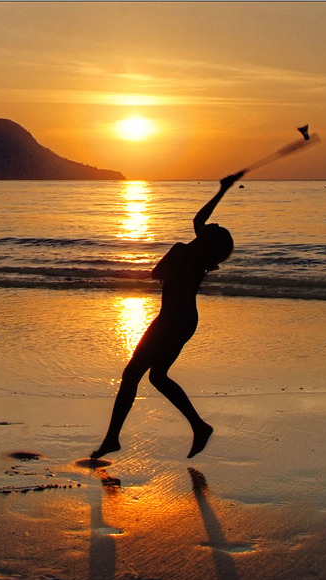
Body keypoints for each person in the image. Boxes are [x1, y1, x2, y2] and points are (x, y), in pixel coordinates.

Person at [91, 171, 244, 460]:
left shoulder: (185, 251)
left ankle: (113, 439)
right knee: (157, 377)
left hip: (173, 320)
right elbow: (198, 220)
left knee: (133, 374)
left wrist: (222, 190)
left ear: (209, 239)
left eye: (214, 227)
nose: (212, 223)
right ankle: (199, 427)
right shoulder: (198, 255)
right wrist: (222, 190)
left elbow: (155, 273)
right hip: (183, 321)